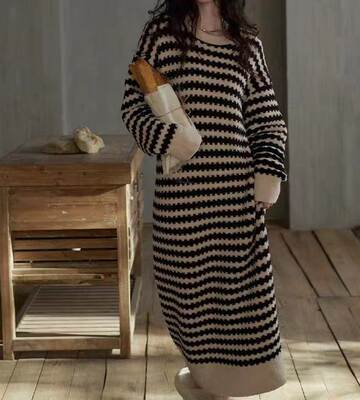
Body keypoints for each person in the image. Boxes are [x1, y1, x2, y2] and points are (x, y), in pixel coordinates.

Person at [120, 0, 288, 398]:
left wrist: (267, 174)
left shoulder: (246, 43)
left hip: (238, 198)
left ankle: (226, 385)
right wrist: (171, 140)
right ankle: (207, 379)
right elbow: (132, 107)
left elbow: (267, 121)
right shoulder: (162, 35)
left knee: (246, 299)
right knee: (187, 295)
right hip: (182, 202)